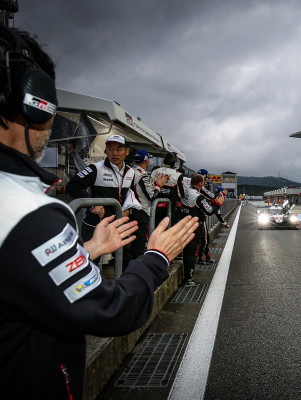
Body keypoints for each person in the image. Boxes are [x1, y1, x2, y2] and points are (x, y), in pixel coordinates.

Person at [0, 26, 199, 399]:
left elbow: (26, 271)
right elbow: (109, 310)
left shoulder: (129, 174)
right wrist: (157, 257)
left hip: (110, 226)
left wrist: (86, 250)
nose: (115, 152)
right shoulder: (29, 213)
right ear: (34, 102)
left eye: (119, 148)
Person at [66, 134, 139, 244]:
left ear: (127, 151)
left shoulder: (131, 172)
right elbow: (71, 186)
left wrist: (129, 209)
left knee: (121, 254)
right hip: (95, 225)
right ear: (106, 150)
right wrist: (91, 206)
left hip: (117, 225)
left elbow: (131, 194)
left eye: (119, 150)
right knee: (92, 255)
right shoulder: (96, 168)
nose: (114, 153)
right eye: (110, 149)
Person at [130, 149, 167, 260]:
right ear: (147, 161)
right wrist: (159, 185)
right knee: (141, 245)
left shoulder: (130, 171)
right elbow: (152, 196)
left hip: (132, 211)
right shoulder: (142, 176)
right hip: (143, 212)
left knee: (133, 244)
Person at [150, 152, 185, 226]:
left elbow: (149, 187)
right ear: (174, 163)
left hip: (154, 206)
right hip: (169, 208)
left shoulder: (155, 171)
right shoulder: (178, 175)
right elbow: (181, 194)